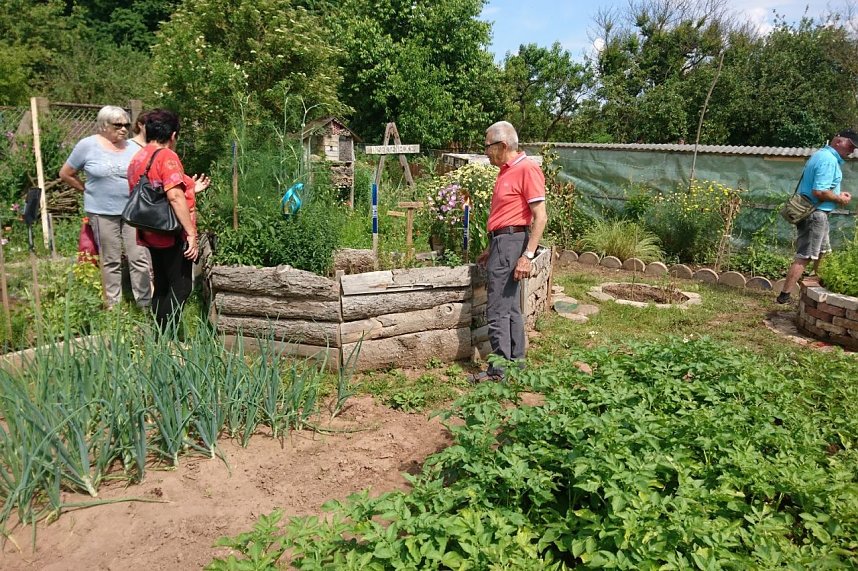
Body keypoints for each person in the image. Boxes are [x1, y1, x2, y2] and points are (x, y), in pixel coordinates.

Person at [470, 121, 548, 382]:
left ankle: (498, 371)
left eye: (487, 146)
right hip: (503, 243)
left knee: (496, 309)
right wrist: (490, 247)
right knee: (510, 306)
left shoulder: (526, 168)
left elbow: (540, 217)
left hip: (512, 243)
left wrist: (527, 256)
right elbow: (506, 215)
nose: (485, 152)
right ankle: (515, 364)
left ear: (502, 145)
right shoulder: (506, 171)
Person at [59, 105, 153, 308]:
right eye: (118, 125)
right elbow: (66, 173)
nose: (123, 129)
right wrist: (86, 189)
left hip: (132, 212)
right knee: (111, 259)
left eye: (126, 124)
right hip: (102, 212)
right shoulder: (87, 145)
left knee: (139, 256)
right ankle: (113, 305)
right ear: (103, 125)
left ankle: (145, 304)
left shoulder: (133, 148)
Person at [127, 109, 210, 330]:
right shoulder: (167, 156)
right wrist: (191, 234)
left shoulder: (138, 157)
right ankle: (165, 336)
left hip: (150, 230)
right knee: (182, 287)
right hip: (171, 232)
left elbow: (154, 191)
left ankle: (158, 337)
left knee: (162, 286)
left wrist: (190, 188)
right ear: (173, 135)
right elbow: (174, 196)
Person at [777, 129, 857, 304]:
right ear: (838, 141)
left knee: (823, 253)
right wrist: (840, 199)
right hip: (815, 214)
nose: (852, 150)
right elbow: (819, 191)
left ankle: (820, 292)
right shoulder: (828, 160)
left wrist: (837, 194)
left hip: (816, 213)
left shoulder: (821, 154)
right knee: (805, 255)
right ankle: (784, 296)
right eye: (850, 145)